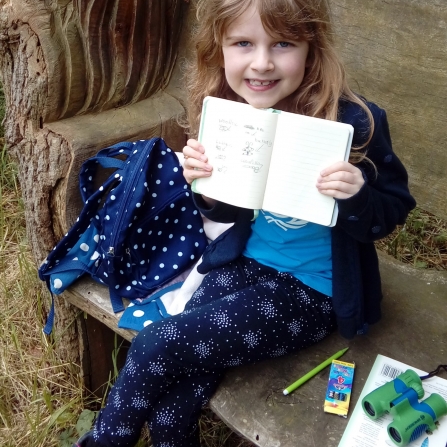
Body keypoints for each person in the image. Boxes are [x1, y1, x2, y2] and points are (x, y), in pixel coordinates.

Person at [74, 0, 415, 446]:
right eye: (243, 43)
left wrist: (358, 197)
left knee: (156, 345)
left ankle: (103, 441)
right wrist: (208, 190)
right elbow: (229, 212)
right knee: (174, 405)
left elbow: (392, 210)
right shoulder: (233, 112)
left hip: (313, 291)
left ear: (313, 46)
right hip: (244, 264)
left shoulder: (353, 120)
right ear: (219, 48)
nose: (262, 63)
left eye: (283, 43)